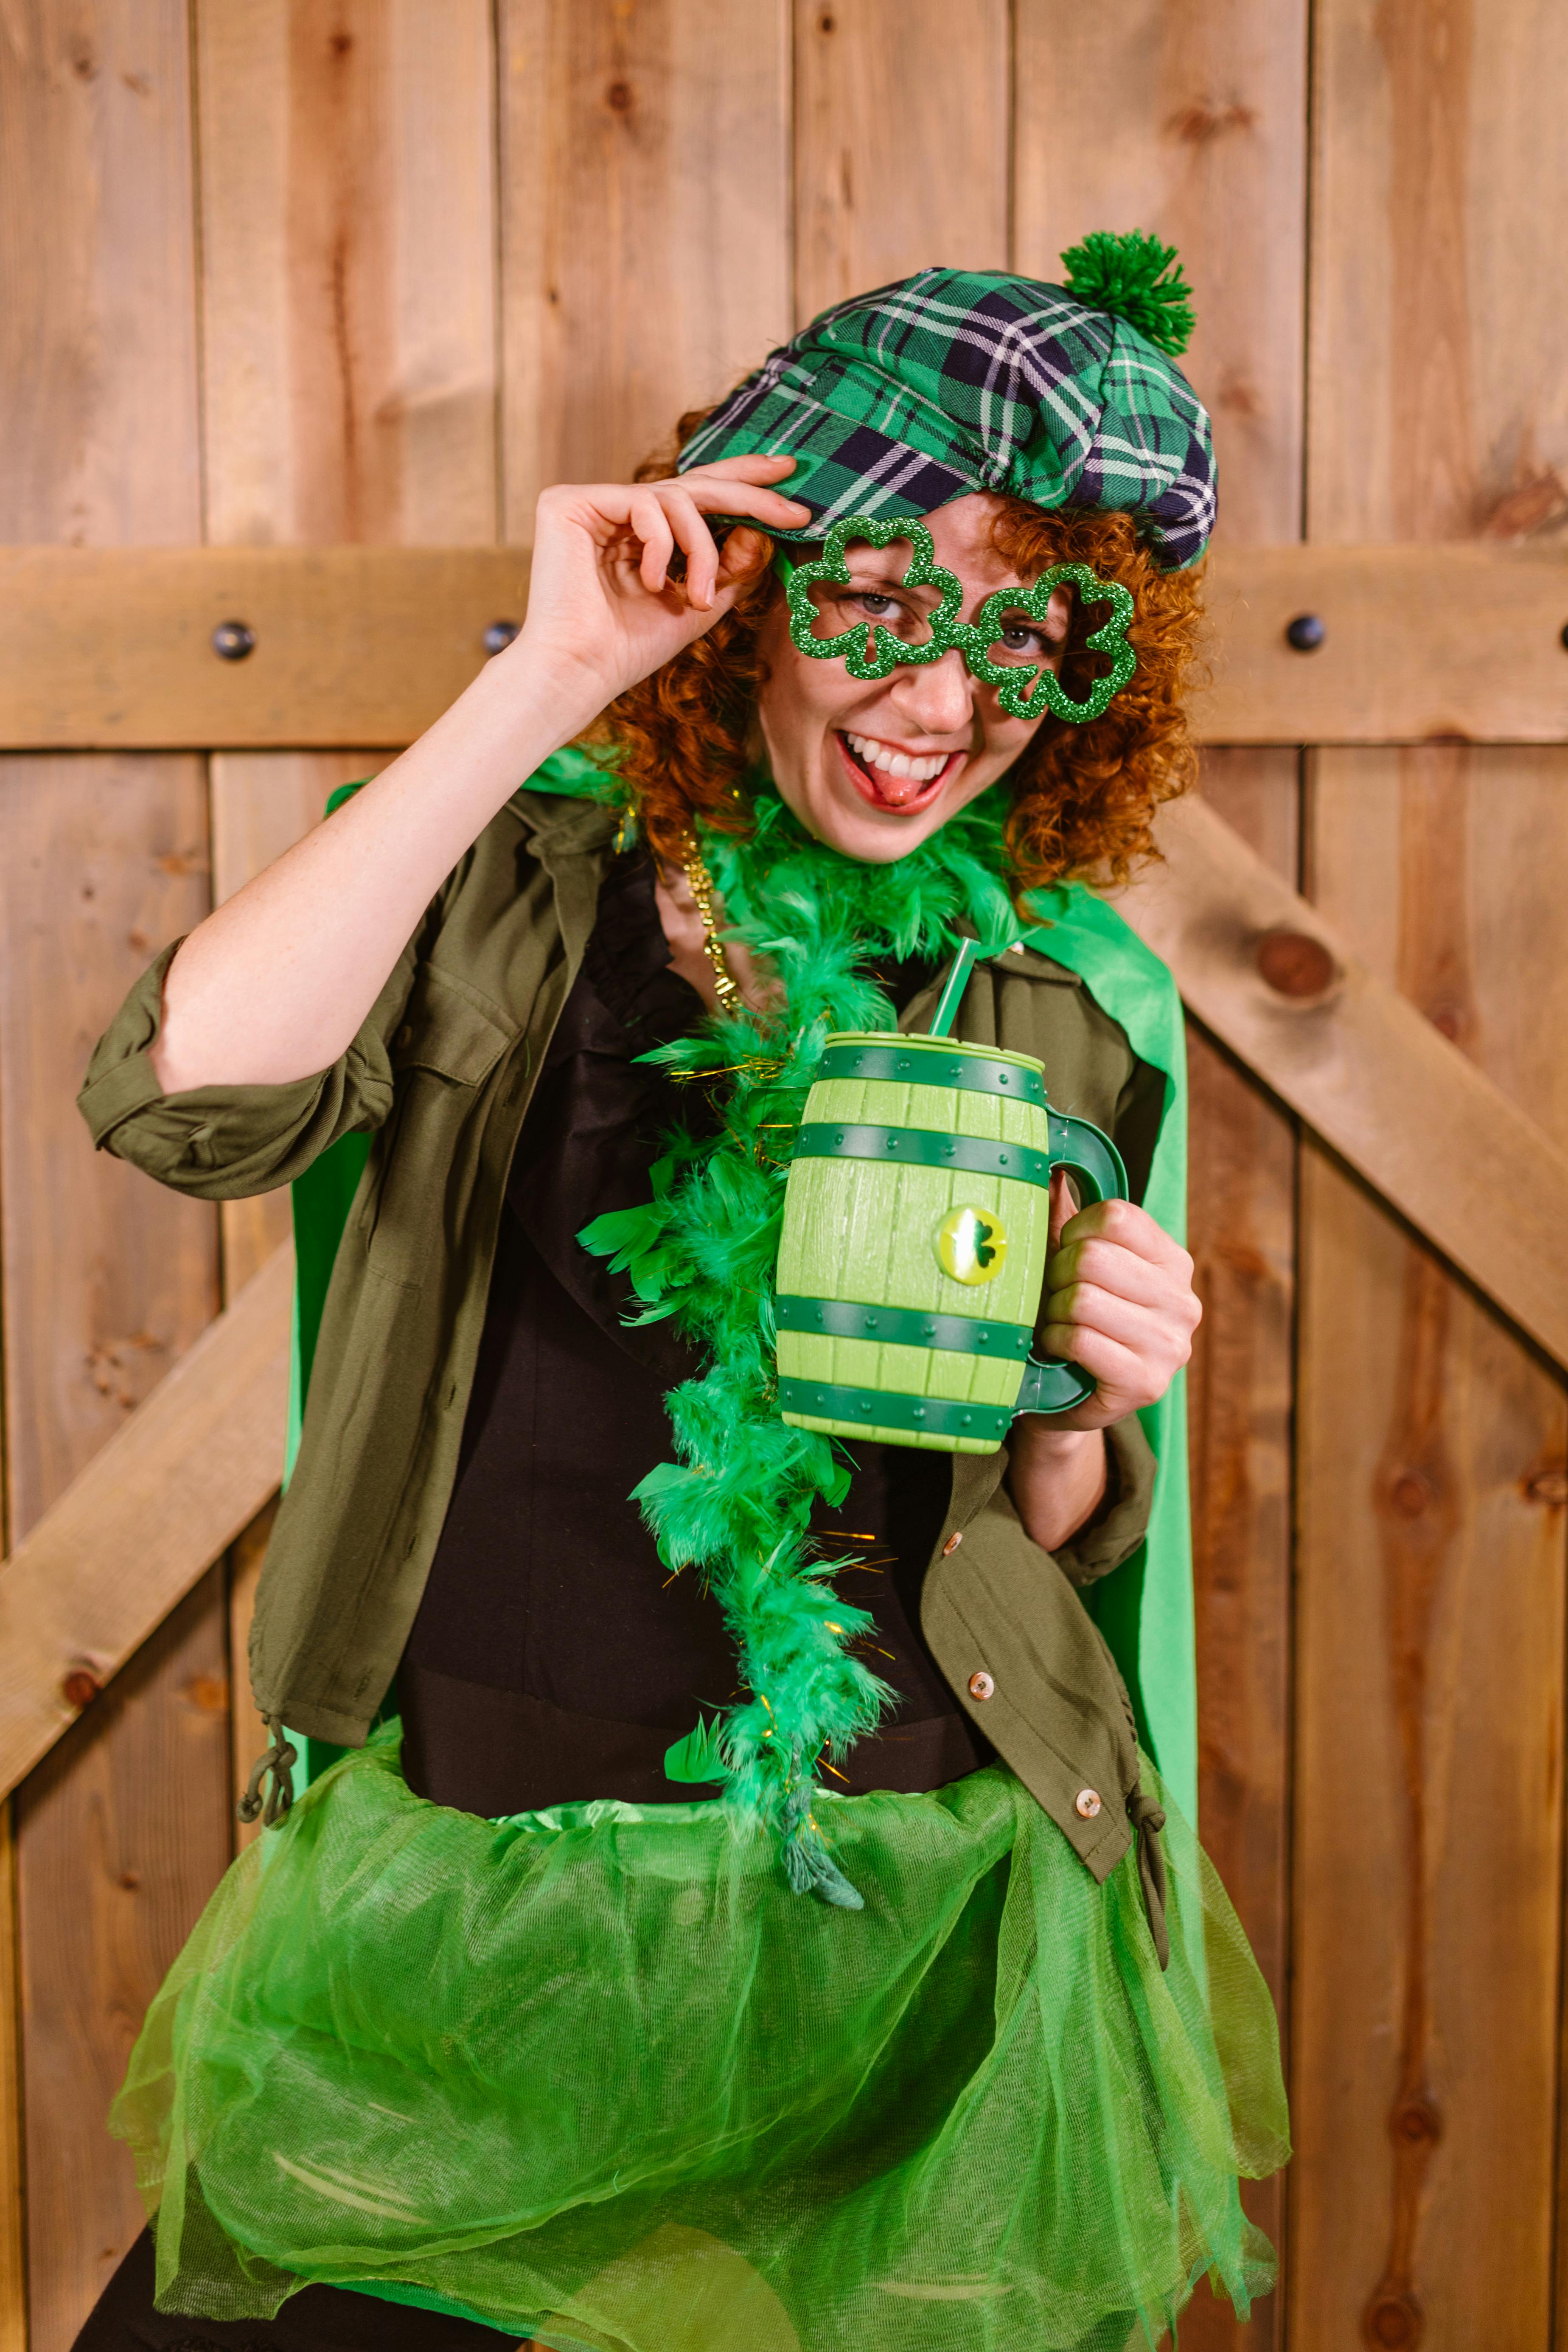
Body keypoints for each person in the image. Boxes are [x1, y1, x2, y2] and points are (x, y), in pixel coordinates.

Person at [73, 241, 1287, 2352]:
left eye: (1023, 633)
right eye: (876, 603)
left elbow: (1034, 1530)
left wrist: (1091, 1415)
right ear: (744, 583)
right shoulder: (495, 887)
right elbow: (189, 1099)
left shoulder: (1071, 997)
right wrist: (551, 675)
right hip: (489, 1903)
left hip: (914, 1927)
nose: (940, 707)